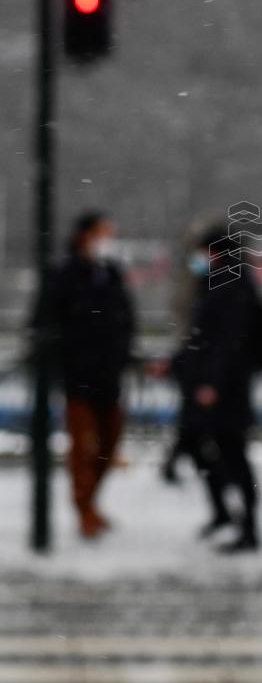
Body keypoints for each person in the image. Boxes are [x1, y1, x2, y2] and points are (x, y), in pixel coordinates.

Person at [169, 226, 262, 552]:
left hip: (224, 388)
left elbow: (224, 341)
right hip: (219, 384)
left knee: (230, 452)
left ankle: (248, 529)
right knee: (209, 447)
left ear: (214, 252)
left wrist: (212, 382)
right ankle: (226, 516)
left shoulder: (229, 285)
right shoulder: (226, 282)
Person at [54, 212, 135, 538]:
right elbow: (52, 323)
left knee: (107, 445)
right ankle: (84, 511)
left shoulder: (111, 274)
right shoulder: (65, 275)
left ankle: (89, 505)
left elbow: (124, 319)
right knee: (83, 450)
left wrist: (122, 353)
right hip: (79, 378)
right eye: (102, 233)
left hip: (109, 377)